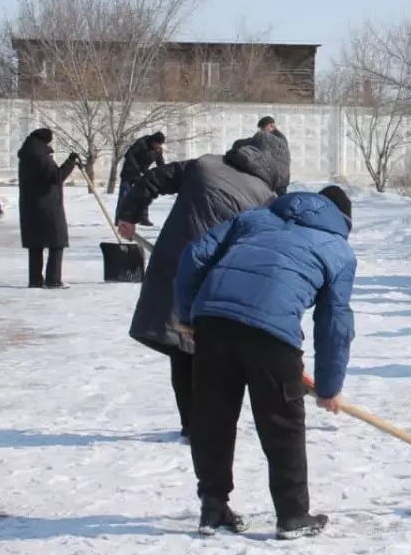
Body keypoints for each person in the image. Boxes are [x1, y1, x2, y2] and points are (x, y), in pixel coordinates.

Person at [173, 186, 356, 540]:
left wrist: (188, 316)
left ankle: (212, 507)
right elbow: (335, 322)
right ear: (343, 220)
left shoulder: (254, 218)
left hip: (214, 322)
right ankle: (292, 515)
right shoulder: (339, 251)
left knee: (213, 417)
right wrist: (330, 387)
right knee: (281, 423)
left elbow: (195, 255)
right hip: (273, 336)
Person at [116, 130, 291, 441]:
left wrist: (129, 216)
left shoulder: (204, 165)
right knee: (210, 353)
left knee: (180, 346)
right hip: (219, 281)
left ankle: (192, 425)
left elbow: (152, 179)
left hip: (173, 267)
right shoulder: (267, 199)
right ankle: (207, 426)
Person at [17, 128, 79, 288]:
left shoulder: (28, 154)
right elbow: (56, 177)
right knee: (56, 241)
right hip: (47, 205)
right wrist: (70, 162)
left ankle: (35, 280)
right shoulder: (41, 158)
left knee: (36, 244)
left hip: (30, 206)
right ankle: (53, 279)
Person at [115, 131, 166, 227]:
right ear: (153, 141)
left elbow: (161, 163)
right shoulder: (141, 143)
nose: (157, 146)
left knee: (145, 195)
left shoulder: (158, 150)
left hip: (143, 173)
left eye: (159, 144)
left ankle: (143, 218)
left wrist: (165, 173)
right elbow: (129, 156)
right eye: (156, 143)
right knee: (125, 197)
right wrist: (137, 170)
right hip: (129, 173)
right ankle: (119, 219)